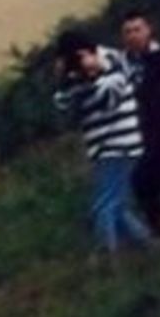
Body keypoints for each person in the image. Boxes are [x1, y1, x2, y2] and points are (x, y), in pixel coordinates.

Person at [53, 30, 152, 253]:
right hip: (104, 147)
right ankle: (148, 245)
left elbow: (109, 97)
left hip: (119, 145)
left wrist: (94, 74)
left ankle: (107, 255)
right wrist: (67, 81)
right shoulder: (73, 79)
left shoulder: (113, 60)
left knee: (104, 205)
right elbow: (63, 107)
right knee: (117, 205)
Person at [121, 11, 160, 235]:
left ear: (149, 29)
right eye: (128, 31)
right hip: (133, 125)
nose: (133, 36)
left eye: (137, 29)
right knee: (142, 177)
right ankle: (157, 222)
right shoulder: (122, 63)